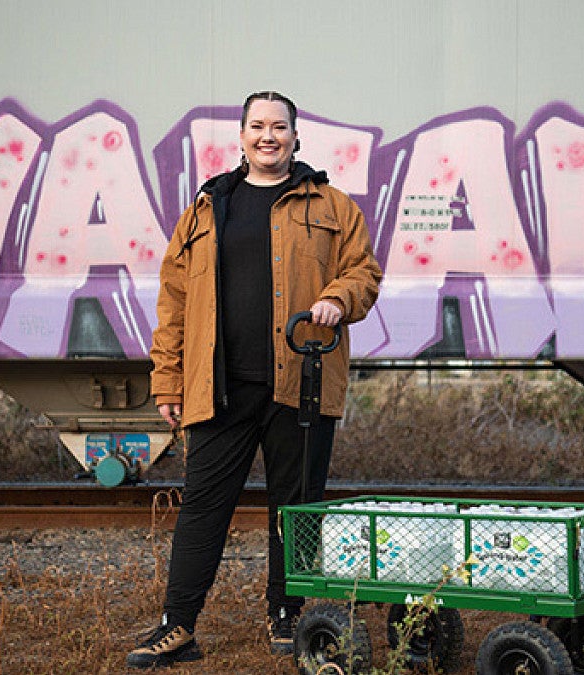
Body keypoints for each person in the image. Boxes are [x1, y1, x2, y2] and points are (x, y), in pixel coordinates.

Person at [127, 91, 383, 668]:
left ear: (296, 137)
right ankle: (178, 626)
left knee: (295, 510)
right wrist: (167, 380)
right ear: (241, 137)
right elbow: (174, 299)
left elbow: (365, 272)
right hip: (220, 387)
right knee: (202, 506)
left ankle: (288, 616)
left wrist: (338, 299)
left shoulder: (333, 206)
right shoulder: (207, 208)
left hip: (303, 382)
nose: (268, 136)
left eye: (280, 127)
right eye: (257, 126)